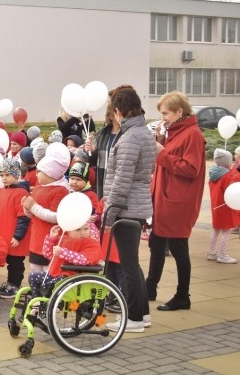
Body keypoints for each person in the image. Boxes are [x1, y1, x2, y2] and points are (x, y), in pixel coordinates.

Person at [147, 91, 206, 312]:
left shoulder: (192, 134)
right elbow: (171, 157)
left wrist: (162, 153)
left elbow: (191, 168)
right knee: (156, 242)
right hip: (165, 198)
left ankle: (183, 295)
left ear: (179, 112)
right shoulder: (178, 131)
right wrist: (161, 142)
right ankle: (150, 286)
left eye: (166, 113)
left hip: (178, 201)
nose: (163, 117)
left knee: (178, 247)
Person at [104, 85, 155, 333]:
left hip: (126, 208)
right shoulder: (142, 131)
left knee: (128, 265)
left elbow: (121, 181)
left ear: (118, 111)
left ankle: (134, 317)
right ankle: (142, 313)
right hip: (135, 205)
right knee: (133, 264)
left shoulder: (130, 137)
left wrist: (108, 214)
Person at [28, 223, 101, 297]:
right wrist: (51, 238)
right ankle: (38, 304)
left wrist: (63, 252)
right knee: (33, 276)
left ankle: (50, 303)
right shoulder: (64, 238)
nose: (83, 232)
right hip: (56, 274)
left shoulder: (92, 243)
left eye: (86, 229)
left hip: (73, 276)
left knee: (49, 285)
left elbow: (84, 259)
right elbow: (48, 254)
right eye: (78, 229)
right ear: (69, 231)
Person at [0, 158, 31, 299]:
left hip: (14, 236)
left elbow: (23, 217)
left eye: (7, 175)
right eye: (2, 175)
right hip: (5, 234)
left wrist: (17, 236)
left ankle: (14, 285)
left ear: (16, 174)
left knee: (15, 263)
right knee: (10, 261)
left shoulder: (21, 193)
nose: (4, 178)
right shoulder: (3, 191)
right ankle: (10, 283)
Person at [208, 149, 238, 264]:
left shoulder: (213, 174)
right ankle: (223, 254)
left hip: (216, 206)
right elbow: (230, 189)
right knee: (226, 231)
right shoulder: (227, 176)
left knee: (216, 230)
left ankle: (212, 253)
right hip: (225, 207)